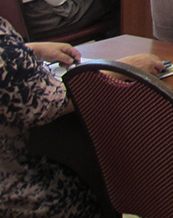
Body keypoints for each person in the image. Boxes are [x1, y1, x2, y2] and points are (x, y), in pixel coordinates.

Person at [0, 15, 163, 218]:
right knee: (91, 182)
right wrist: (122, 68)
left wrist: (31, 50)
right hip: (12, 196)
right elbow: (51, 101)